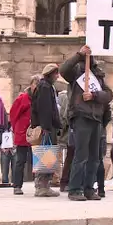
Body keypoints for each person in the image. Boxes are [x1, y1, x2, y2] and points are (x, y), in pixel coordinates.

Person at [59, 45, 113, 201]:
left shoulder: (98, 74)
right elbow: (63, 70)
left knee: (94, 157)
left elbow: (108, 94)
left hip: (96, 117)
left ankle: (89, 188)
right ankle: (75, 189)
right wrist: (79, 54)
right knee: (81, 155)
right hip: (81, 116)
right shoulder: (76, 72)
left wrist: (94, 95)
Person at [30, 64, 62, 197]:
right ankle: (43, 186)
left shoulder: (45, 86)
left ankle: (43, 185)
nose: (57, 76)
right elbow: (45, 109)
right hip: (47, 127)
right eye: (56, 73)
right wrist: (47, 127)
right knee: (46, 155)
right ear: (50, 74)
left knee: (45, 155)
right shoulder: (45, 87)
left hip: (47, 126)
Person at [9, 75, 41, 195]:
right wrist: (16, 129)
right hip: (23, 133)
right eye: (35, 84)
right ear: (31, 85)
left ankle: (39, 184)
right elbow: (13, 114)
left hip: (36, 133)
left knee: (38, 160)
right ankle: (17, 185)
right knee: (20, 160)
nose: (36, 87)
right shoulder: (23, 98)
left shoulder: (40, 99)